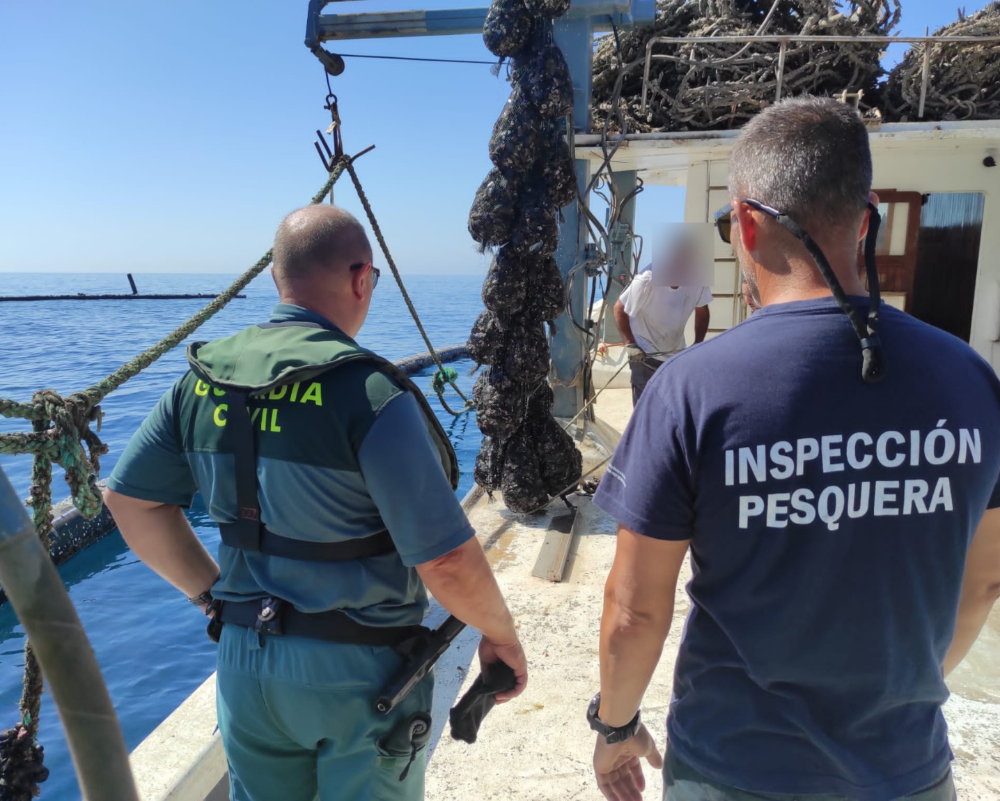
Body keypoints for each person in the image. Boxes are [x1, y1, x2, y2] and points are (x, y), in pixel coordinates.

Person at [587, 96, 1000, 801]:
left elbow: (636, 610)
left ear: (747, 224)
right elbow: (985, 582)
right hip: (907, 771)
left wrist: (614, 726)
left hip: (733, 769)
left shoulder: (690, 390)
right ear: (866, 218)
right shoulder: (971, 379)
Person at [104, 205, 527, 801]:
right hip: (359, 679)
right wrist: (500, 634)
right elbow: (447, 562)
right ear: (361, 279)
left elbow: (129, 503)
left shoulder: (198, 382)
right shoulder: (370, 393)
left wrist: (212, 597)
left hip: (244, 666)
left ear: (279, 281)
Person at [612, 245, 712, 406]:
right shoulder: (646, 280)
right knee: (645, 407)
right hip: (644, 353)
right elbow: (619, 309)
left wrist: (698, 343)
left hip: (675, 353)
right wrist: (630, 344)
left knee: (672, 405)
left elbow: (702, 310)